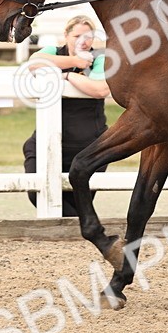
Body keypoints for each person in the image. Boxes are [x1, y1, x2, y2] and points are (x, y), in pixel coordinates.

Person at [23, 15, 111, 216]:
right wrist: (74, 62)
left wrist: (66, 76)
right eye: (77, 35)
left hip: (89, 145)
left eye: (88, 36)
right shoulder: (53, 52)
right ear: (66, 35)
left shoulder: (99, 58)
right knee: (37, 192)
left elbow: (100, 89)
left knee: (79, 201)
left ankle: (81, 231)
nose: (83, 41)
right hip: (47, 141)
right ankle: (85, 229)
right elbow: (33, 63)